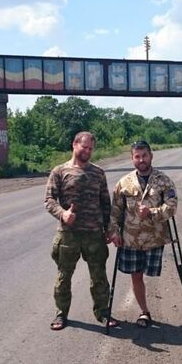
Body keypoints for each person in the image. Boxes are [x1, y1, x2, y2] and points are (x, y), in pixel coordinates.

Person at [44, 131, 119, 331]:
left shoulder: (98, 173)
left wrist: (109, 229)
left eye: (91, 148)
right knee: (64, 276)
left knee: (99, 277)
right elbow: (49, 200)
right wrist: (62, 214)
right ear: (74, 145)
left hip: (94, 234)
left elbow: (105, 203)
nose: (87, 151)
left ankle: (103, 312)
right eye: (84, 147)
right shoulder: (59, 171)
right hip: (69, 234)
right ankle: (61, 314)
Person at [108, 140, 178, 328]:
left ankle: (146, 310)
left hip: (155, 239)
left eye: (144, 155)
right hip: (131, 240)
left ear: (151, 156)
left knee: (150, 274)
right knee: (136, 275)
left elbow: (172, 208)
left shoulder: (164, 181)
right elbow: (115, 211)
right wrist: (114, 232)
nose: (141, 160)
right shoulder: (123, 183)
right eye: (137, 156)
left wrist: (152, 212)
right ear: (132, 158)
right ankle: (144, 312)